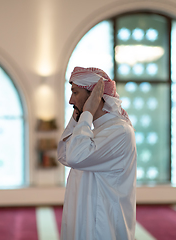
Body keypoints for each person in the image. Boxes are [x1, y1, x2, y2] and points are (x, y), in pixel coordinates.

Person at [57, 67, 137, 240]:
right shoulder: (92, 129)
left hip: (102, 227)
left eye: (75, 92)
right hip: (83, 218)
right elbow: (64, 154)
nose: (71, 100)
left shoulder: (119, 131)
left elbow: (75, 157)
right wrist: (80, 116)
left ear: (94, 95)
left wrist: (87, 112)